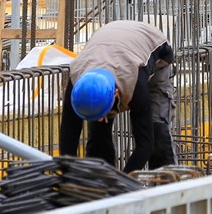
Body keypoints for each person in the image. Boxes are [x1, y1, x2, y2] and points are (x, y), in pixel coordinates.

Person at [59, 20, 177, 172]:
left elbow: (145, 145)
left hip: (154, 51)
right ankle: (101, 186)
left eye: (103, 113)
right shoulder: (77, 84)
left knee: (157, 134)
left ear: (115, 93)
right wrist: (68, 179)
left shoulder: (135, 83)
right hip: (110, 47)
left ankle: (166, 189)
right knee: (98, 137)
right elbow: (68, 142)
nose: (101, 119)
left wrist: (124, 183)